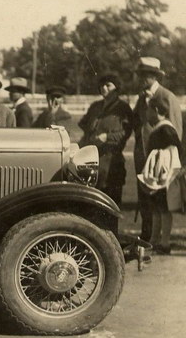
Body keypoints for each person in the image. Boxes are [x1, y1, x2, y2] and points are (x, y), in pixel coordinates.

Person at [131, 56, 183, 243]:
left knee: (161, 201)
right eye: (140, 75)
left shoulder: (167, 97)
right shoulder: (141, 98)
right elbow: (137, 123)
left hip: (161, 161)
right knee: (146, 198)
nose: (141, 79)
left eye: (145, 75)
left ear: (154, 76)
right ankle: (147, 236)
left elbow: (175, 132)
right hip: (143, 156)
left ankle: (162, 239)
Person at [78, 73, 133, 205]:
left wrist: (107, 137)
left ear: (116, 88)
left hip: (112, 161)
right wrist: (89, 136)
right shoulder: (95, 106)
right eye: (102, 85)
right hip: (91, 159)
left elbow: (126, 132)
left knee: (111, 203)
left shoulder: (123, 108)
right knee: (90, 202)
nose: (104, 88)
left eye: (108, 85)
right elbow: (83, 123)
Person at [138, 96, 183, 255]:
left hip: (163, 176)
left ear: (156, 110)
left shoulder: (166, 129)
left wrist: (162, 163)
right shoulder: (159, 128)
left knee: (163, 209)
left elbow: (175, 149)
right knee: (156, 208)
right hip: (157, 176)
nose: (146, 113)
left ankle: (165, 242)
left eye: (148, 110)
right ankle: (154, 240)